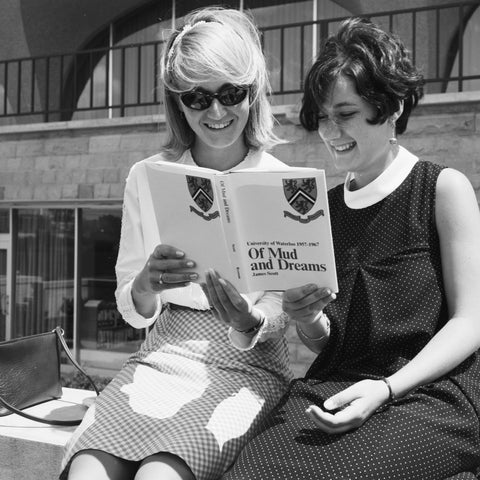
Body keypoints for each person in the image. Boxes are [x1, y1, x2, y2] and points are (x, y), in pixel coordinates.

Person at [223, 17, 480, 479]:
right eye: (322, 116)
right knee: (249, 472)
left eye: (345, 114)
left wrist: (385, 389)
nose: (330, 131)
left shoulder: (442, 188)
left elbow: (471, 321)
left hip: (430, 395)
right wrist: (307, 318)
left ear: (393, 105)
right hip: (338, 386)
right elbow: (330, 342)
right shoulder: (324, 209)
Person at [60, 7, 294, 480]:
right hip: (163, 354)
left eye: (231, 93)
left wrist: (249, 318)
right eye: (197, 97)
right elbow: (131, 303)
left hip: (248, 362)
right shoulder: (147, 176)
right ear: (177, 103)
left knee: (159, 476)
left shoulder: (282, 182)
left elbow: (285, 302)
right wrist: (147, 283)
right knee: (87, 472)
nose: (216, 111)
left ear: (253, 92)